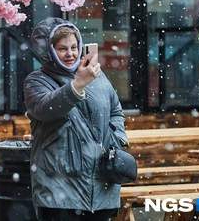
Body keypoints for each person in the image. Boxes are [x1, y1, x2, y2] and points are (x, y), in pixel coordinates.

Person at [23, 17, 128, 221]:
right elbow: (45, 109)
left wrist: (117, 139)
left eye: (74, 47)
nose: (70, 54)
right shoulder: (36, 80)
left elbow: (116, 110)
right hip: (59, 189)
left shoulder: (97, 76)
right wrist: (78, 84)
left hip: (102, 186)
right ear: (49, 51)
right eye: (62, 48)